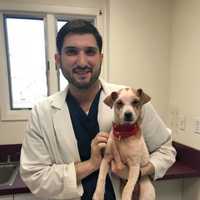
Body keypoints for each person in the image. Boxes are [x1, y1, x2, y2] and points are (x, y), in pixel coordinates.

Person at [20, 19, 176, 200]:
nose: (82, 61)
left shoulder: (131, 102)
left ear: (100, 58)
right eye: (71, 52)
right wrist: (92, 164)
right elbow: (34, 177)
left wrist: (137, 172)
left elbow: (166, 150)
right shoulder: (42, 113)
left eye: (90, 52)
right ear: (57, 60)